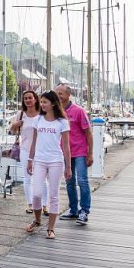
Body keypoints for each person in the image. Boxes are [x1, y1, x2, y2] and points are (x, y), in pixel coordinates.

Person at [25, 91, 72, 239]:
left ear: (52, 103)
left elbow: (66, 147)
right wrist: (30, 160)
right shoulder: (38, 120)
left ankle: (51, 228)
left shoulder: (62, 122)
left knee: (54, 196)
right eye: (41, 102)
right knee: (37, 193)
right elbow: (34, 142)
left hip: (56, 161)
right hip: (39, 160)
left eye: (45, 102)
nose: (42, 104)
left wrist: (68, 166)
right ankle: (37, 220)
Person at [55, 83, 93, 225]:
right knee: (69, 182)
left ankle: (84, 211)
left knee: (82, 181)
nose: (58, 95)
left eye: (61, 93)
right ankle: (73, 210)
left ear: (68, 95)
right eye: (56, 92)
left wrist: (90, 153)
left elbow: (89, 133)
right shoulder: (57, 112)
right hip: (66, 153)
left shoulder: (79, 111)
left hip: (80, 152)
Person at [9, 90, 44, 214]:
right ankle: (30, 204)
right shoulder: (20, 114)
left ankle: (44, 205)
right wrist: (15, 125)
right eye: (25, 99)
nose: (28, 100)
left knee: (41, 179)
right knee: (27, 178)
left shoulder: (42, 114)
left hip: (41, 150)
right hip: (25, 150)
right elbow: (12, 132)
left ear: (35, 99)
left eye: (30, 98)